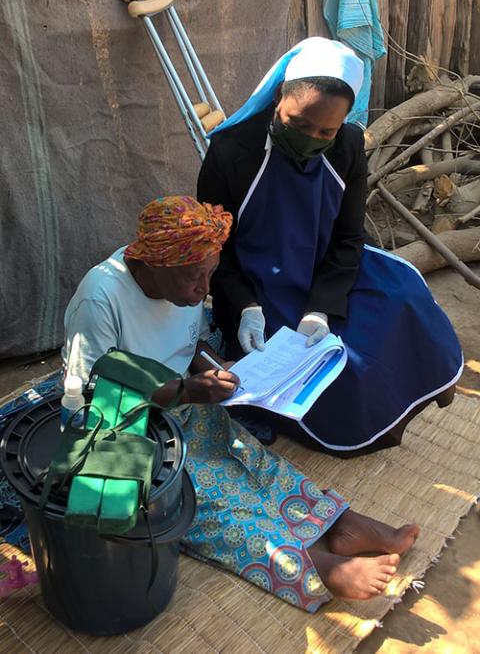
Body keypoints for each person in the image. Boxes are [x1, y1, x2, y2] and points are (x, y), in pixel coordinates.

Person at [63, 195, 419, 612]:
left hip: (180, 400)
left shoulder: (183, 284)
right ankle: (311, 565)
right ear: (154, 265)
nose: (204, 289)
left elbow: (188, 340)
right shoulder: (101, 297)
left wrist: (216, 368)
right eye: (195, 277)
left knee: (249, 459)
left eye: (211, 274)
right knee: (206, 495)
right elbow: (93, 387)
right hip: (123, 422)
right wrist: (186, 390)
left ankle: (340, 523)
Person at [197, 36, 463, 457]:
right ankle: (371, 429)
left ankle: (422, 395)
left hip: (329, 266)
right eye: (299, 123)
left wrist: (321, 307)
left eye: (326, 130)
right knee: (345, 370)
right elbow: (218, 252)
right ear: (279, 98)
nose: (312, 137)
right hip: (258, 280)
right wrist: (244, 305)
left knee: (405, 301)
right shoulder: (230, 153)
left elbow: (347, 238)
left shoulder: (348, 146)